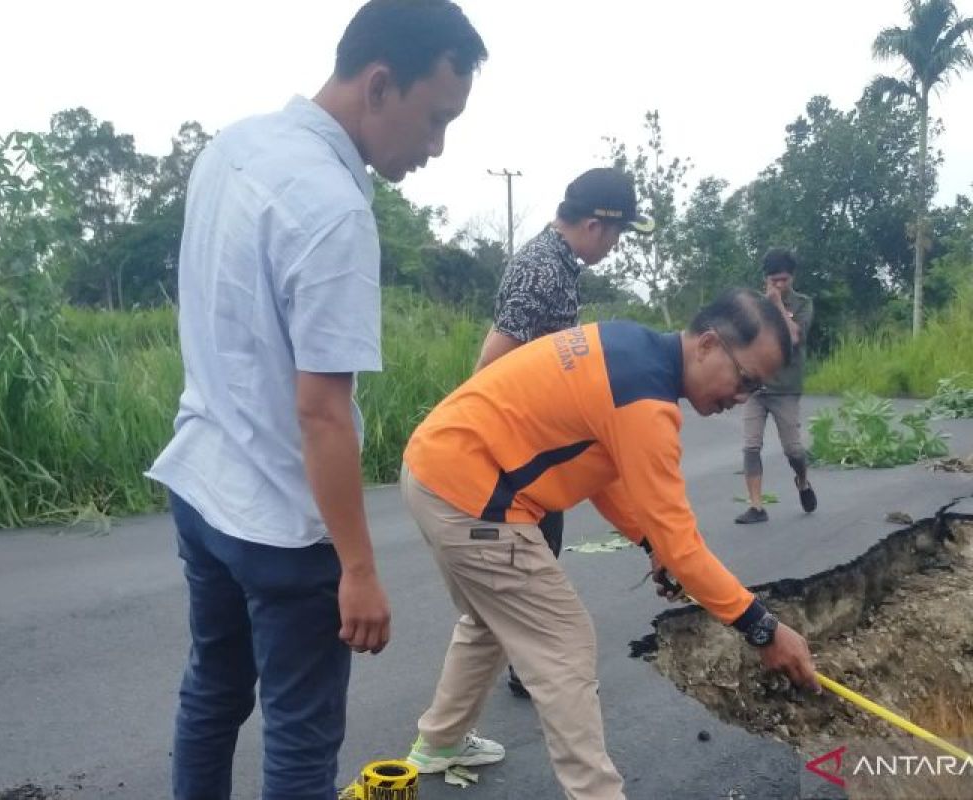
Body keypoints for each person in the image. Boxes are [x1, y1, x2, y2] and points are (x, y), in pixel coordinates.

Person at [144, 3, 487, 798]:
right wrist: (359, 570)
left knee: (213, 691)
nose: (437, 146)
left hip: (202, 486)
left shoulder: (231, 147)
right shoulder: (334, 209)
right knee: (300, 743)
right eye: (435, 118)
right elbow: (322, 411)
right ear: (378, 85)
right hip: (283, 530)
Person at [402, 289, 820, 799]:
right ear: (709, 344)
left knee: (490, 618)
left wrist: (649, 541)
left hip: (434, 469)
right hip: (473, 497)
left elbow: (603, 471)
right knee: (564, 641)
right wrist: (763, 628)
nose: (742, 398)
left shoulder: (628, 347)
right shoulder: (645, 403)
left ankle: (439, 742)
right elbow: (684, 546)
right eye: (745, 380)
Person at [476, 166, 654, 698]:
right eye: (619, 233)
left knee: (526, 569)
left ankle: (516, 671)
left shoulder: (557, 264)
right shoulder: (541, 271)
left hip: (536, 443)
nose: (617, 245)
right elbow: (492, 365)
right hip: (521, 449)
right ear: (598, 224)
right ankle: (535, 673)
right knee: (532, 570)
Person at [735, 248, 817, 524]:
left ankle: (803, 481)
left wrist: (778, 304)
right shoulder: (754, 306)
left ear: (792, 278)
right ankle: (756, 506)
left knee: (793, 449)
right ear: (766, 279)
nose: (780, 285)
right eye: (774, 280)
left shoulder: (803, 304)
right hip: (756, 387)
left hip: (786, 387)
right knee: (750, 446)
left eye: (784, 280)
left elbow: (794, 337)